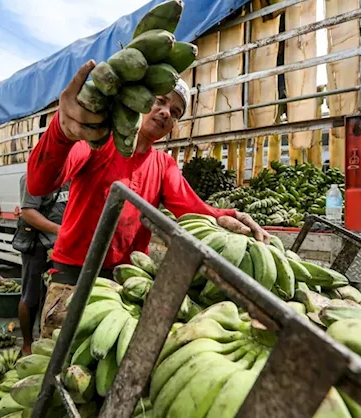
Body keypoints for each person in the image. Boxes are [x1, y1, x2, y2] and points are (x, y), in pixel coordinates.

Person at [27, 60, 270, 338]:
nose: (166, 112)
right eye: (160, 101)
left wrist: (231, 218)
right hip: (74, 273)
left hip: (125, 280)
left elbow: (192, 209)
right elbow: (40, 182)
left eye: (175, 112)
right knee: (57, 356)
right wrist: (62, 130)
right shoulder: (98, 140)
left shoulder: (163, 164)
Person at [17, 174, 69, 354]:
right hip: (38, 244)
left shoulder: (72, 176)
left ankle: (44, 340)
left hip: (62, 248)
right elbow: (28, 212)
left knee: (54, 296)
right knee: (30, 295)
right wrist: (60, 230)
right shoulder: (34, 177)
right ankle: (27, 344)